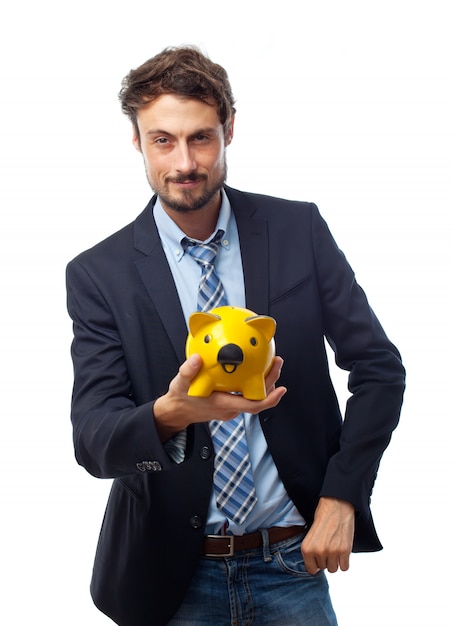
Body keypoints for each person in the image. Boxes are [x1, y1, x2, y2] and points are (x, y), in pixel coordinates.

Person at [66, 46, 405, 626]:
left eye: (201, 138)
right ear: (137, 142)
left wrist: (343, 494)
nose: (184, 162)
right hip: (170, 577)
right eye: (162, 140)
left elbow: (378, 369)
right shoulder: (99, 273)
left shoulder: (298, 229)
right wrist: (171, 413)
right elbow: (94, 440)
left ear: (228, 130)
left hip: (292, 563)